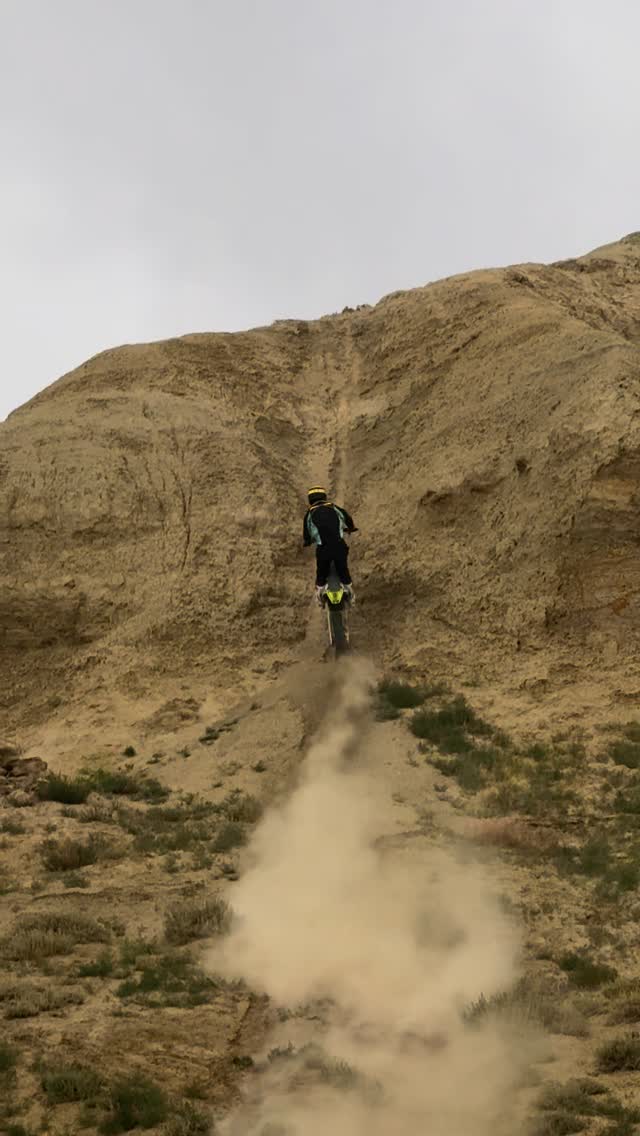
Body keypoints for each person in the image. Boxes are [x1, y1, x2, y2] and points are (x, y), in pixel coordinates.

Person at [303, 486, 358, 603]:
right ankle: (350, 592)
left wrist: (307, 541)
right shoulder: (333, 507)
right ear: (324, 497)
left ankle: (320, 593)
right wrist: (351, 528)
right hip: (339, 546)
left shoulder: (310, 513)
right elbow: (346, 517)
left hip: (324, 549)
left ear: (310, 500)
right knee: (343, 569)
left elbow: (306, 532)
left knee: (321, 572)